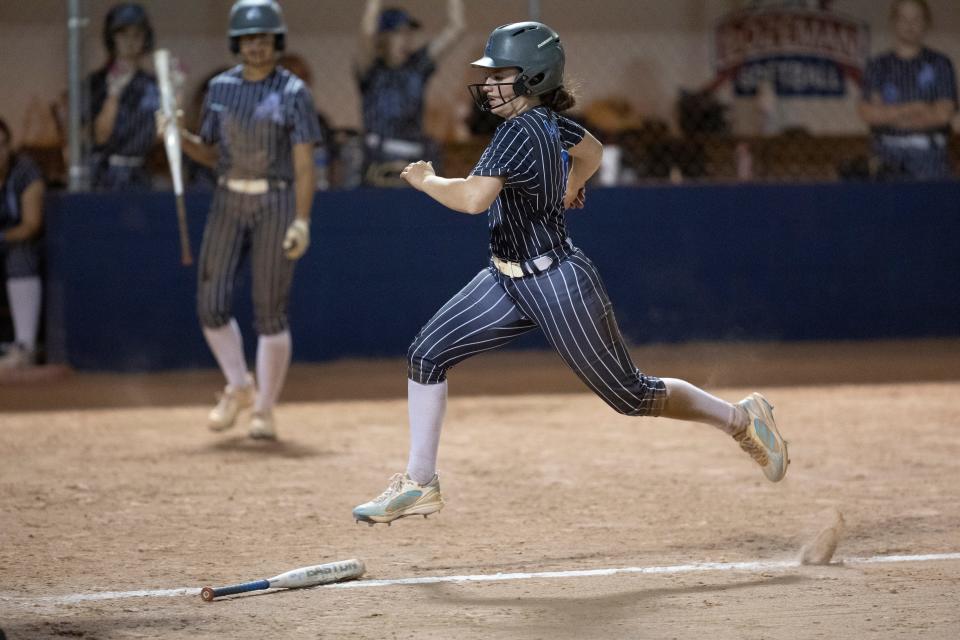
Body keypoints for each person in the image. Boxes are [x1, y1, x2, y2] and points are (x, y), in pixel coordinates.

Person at [352, 22, 790, 526]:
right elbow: (593, 152)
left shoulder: (518, 131)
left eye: (502, 74)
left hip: (557, 284)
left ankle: (742, 420)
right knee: (427, 353)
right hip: (506, 279)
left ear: (534, 78)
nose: (489, 83)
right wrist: (572, 184)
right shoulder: (551, 124)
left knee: (633, 395)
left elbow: (473, 199)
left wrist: (426, 179)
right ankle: (419, 483)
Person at [167, 0, 321, 439]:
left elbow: (305, 164)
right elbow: (209, 153)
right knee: (211, 304)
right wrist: (178, 136)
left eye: (265, 39)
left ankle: (265, 409)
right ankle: (239, 386)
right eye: (249, 39)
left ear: (277, 41)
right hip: (227, 199)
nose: (257, 47)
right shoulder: (219, 89)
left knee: (270, 312)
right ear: (238, 43)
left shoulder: (293, 92)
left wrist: (302, 220)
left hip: (275, 201)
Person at [356, 0, 465, 185]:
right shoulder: (373, 69)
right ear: (383, 37)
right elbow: (366, 32)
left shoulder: (417, 66)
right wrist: (373, 6)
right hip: (378, 158)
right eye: (398, 32)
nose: (406, 38)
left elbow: (456, 28)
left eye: (409, 33)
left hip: (415, 155)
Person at [858, 0, 958, 180]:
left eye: (916, 19)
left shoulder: (940, 64)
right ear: (893, 22)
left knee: (931, 207)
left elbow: (943, 114)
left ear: (927, 22)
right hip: (886, 157)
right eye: (903, 19)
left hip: (930, 158)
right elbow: (870, 113)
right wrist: (914, 109)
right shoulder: (878, 65)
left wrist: (891, 116)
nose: (910, 25)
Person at [85, 3, 159, 190]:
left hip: (140, 175)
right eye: (122, 34)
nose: (130, 41)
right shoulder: (95, 83)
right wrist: (113, 94)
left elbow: (161, 135)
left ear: (145, 38)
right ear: (112, 38)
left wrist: (176, 97)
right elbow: (99, 136)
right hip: (103, 175)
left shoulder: (153, 85)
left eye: (137, 34)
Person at [0, 118, 45, 369]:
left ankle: (24, 347)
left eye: (1, 145)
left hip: (22, 242)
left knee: (21, 255)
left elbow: (31, 225)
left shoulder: (26, 171)